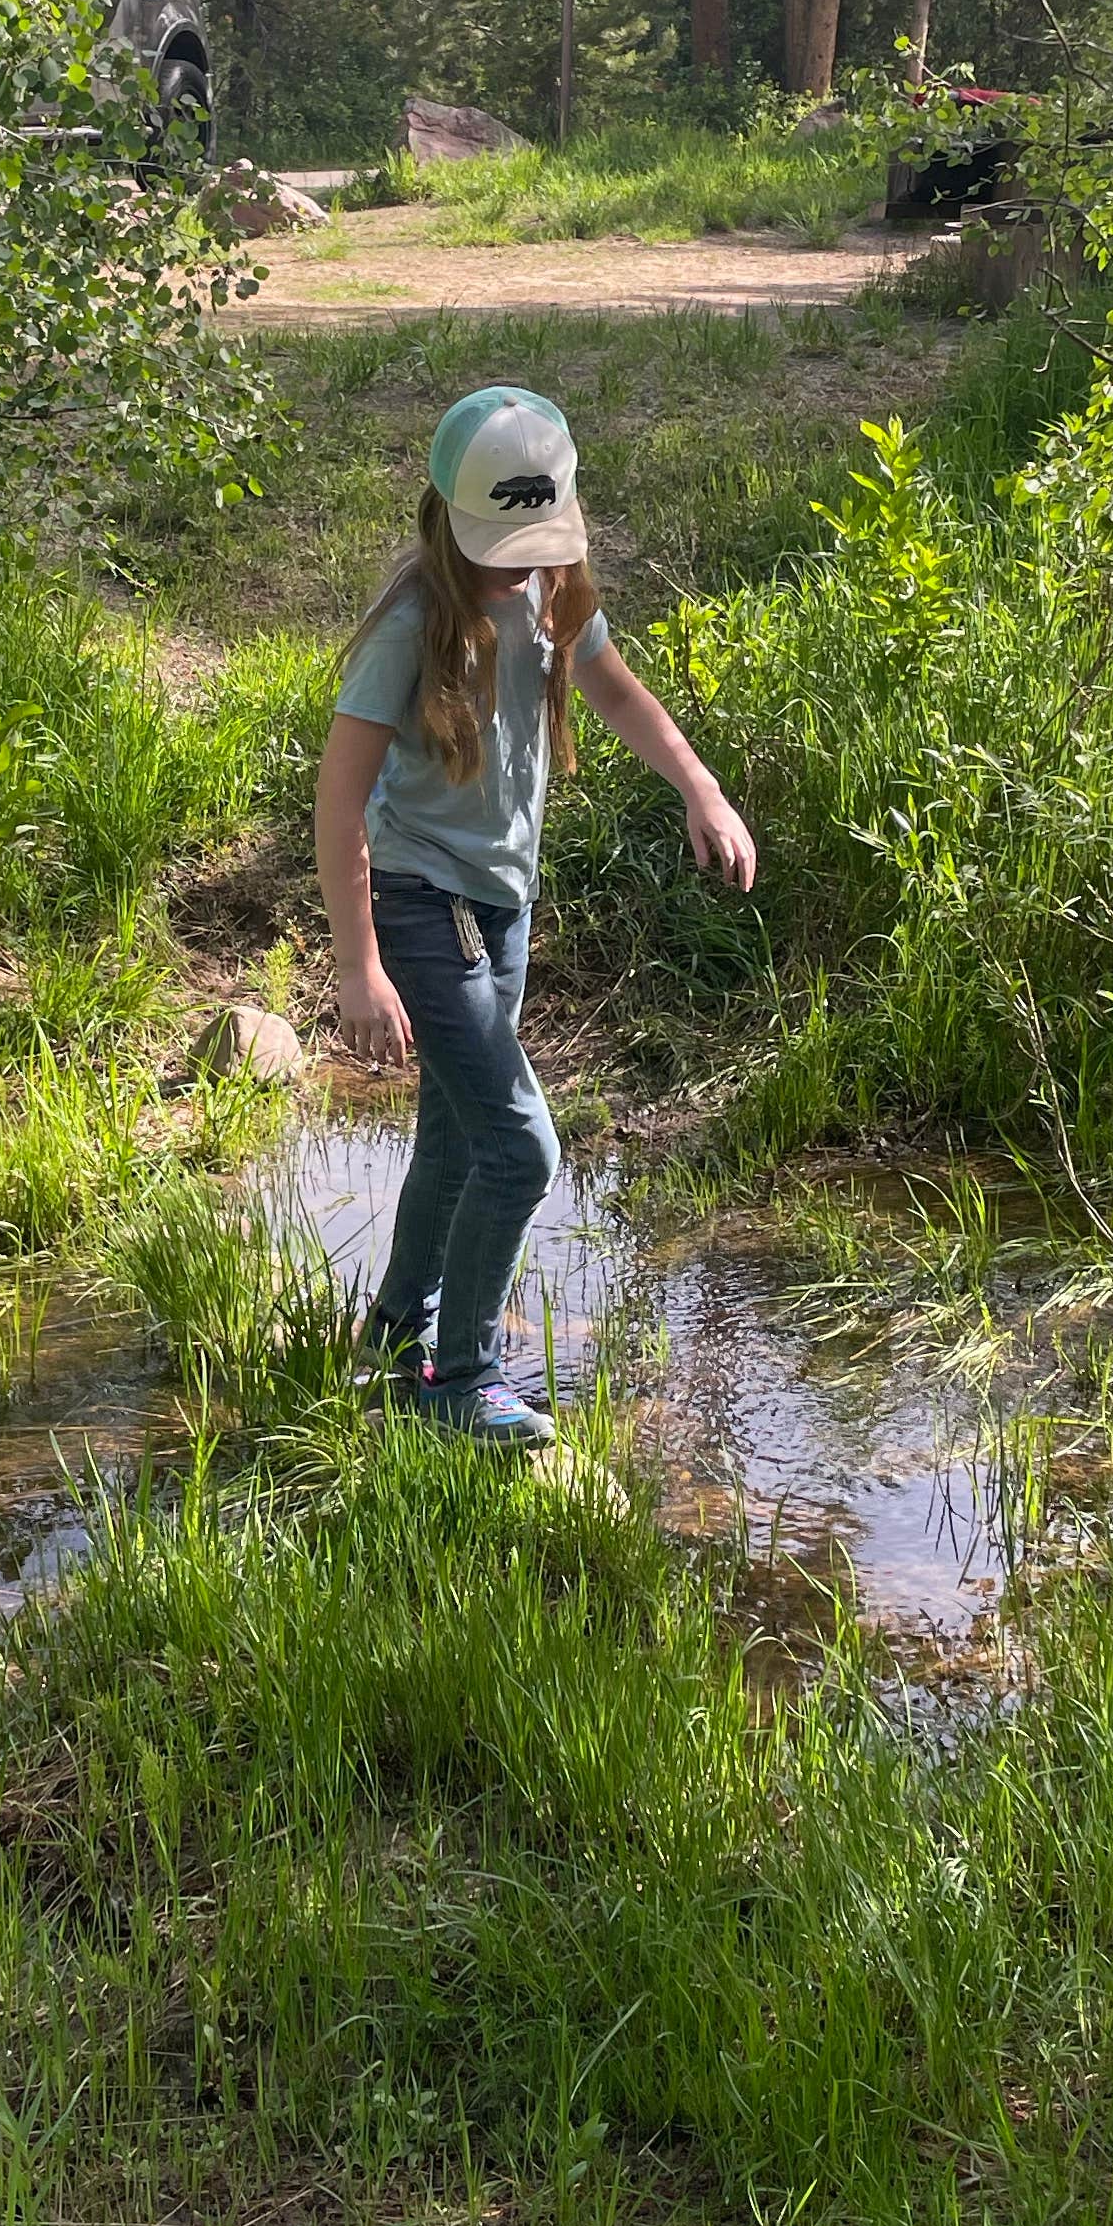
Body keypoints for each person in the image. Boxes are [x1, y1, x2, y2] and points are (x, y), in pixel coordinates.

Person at [315, 382, 758, 1444]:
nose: (523, 569)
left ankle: (393, 1338)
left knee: (456, 1139)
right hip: (425, 902)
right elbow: (338, 798)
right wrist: (358, 966)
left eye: (538, 543)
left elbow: (614, 693)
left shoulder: (554, 591)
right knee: (521, 1150)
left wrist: (700, 787)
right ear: (456, 524)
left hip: (503, 903)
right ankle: (459, 1381)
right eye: (505, 548)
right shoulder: (413, 627)